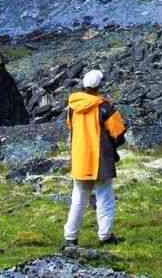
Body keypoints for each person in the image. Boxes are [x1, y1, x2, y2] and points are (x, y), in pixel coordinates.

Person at [64, 69, 128, 247]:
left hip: (80, 158)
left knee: (78, 198)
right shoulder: (104, 106)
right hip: (100, 159)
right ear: (99, 85)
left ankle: (70, 237)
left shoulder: (72, 106)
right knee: (105, 196)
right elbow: (118, 132)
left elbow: (71, 127)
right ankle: (105, 236)